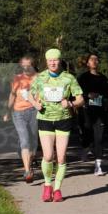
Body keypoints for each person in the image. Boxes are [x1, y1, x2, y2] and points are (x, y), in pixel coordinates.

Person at [29, 47, 84, 202]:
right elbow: (30, 95)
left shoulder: (69, 78)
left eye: (56, 59)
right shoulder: (40, 78)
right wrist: (35, 104)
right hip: (45, 119)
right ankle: (47, 185)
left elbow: (81, 99)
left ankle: (58, 189)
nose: (53, 62)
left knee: (60, 158)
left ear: (60, 60)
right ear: (47, 61)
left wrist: (71, 103)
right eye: (50, 60)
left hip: (63, 119)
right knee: (48, 156)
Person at [76, 53, 108, 176]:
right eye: (91, 59)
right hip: (86, 110)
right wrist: (88, 95)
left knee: (99, 138)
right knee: (87, 132)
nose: (94, 61)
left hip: (100, 111)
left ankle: (98, 166)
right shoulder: (83, 78)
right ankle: (86, 147)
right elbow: (76, 93)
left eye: (96, 59)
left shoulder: (103, 78)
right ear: (87, 63)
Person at [2, 55, 39, 183]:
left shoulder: (39, 78)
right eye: (23, 65)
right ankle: (27, 171)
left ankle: (31, 160)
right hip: (18, 112)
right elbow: (12, 95)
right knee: (24, 140)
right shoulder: (17, 78)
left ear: (32, 65)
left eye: (28, 65)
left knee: (34, 141)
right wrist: (7, 111)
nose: (26, 67)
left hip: (34, 111)